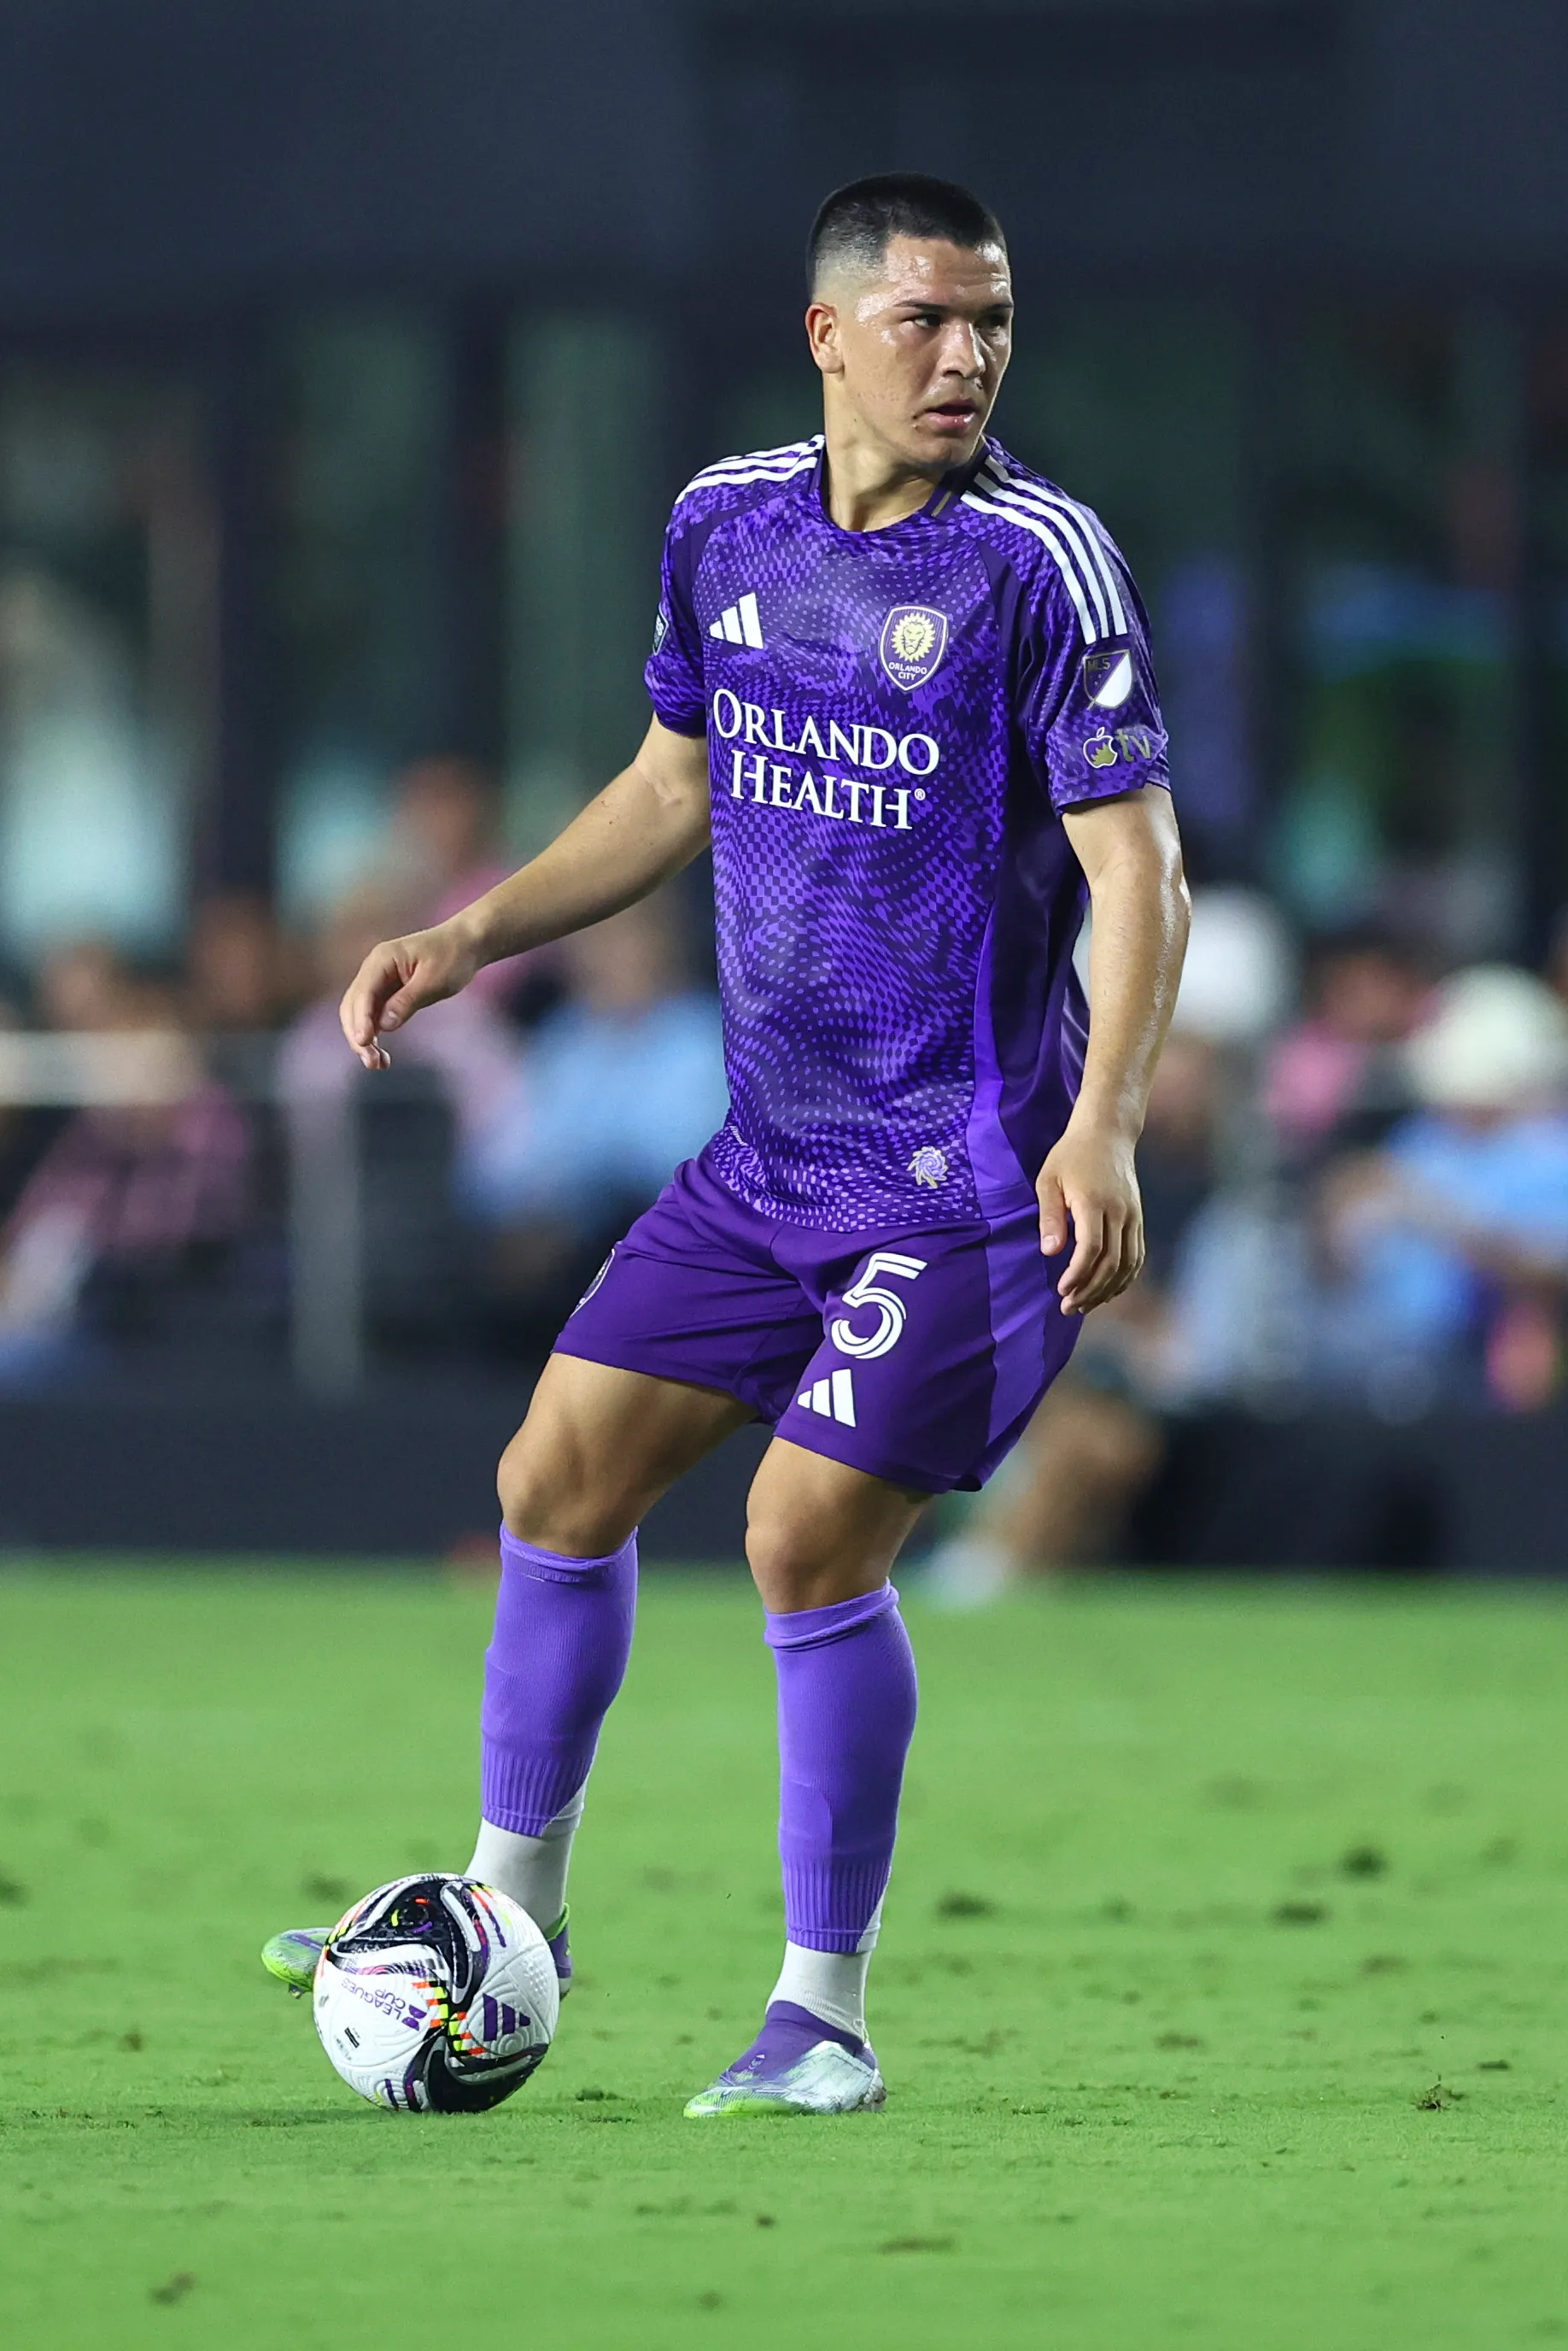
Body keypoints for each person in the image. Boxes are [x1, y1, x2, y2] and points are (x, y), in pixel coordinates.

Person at [261, 173, 1190, 2116]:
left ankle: (822, 2016)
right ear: (828, 333)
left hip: (972, 1175)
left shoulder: (1041, 560)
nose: (969, 355)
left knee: (797, 1535)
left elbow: (1140, 868)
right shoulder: (721, 523)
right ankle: (510, 1922)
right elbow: (670, 784)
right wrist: (468, 931)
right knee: (555, 1475)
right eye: (931, 318)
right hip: (770, 1160)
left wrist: (1102, 1125)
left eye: (994, 320)